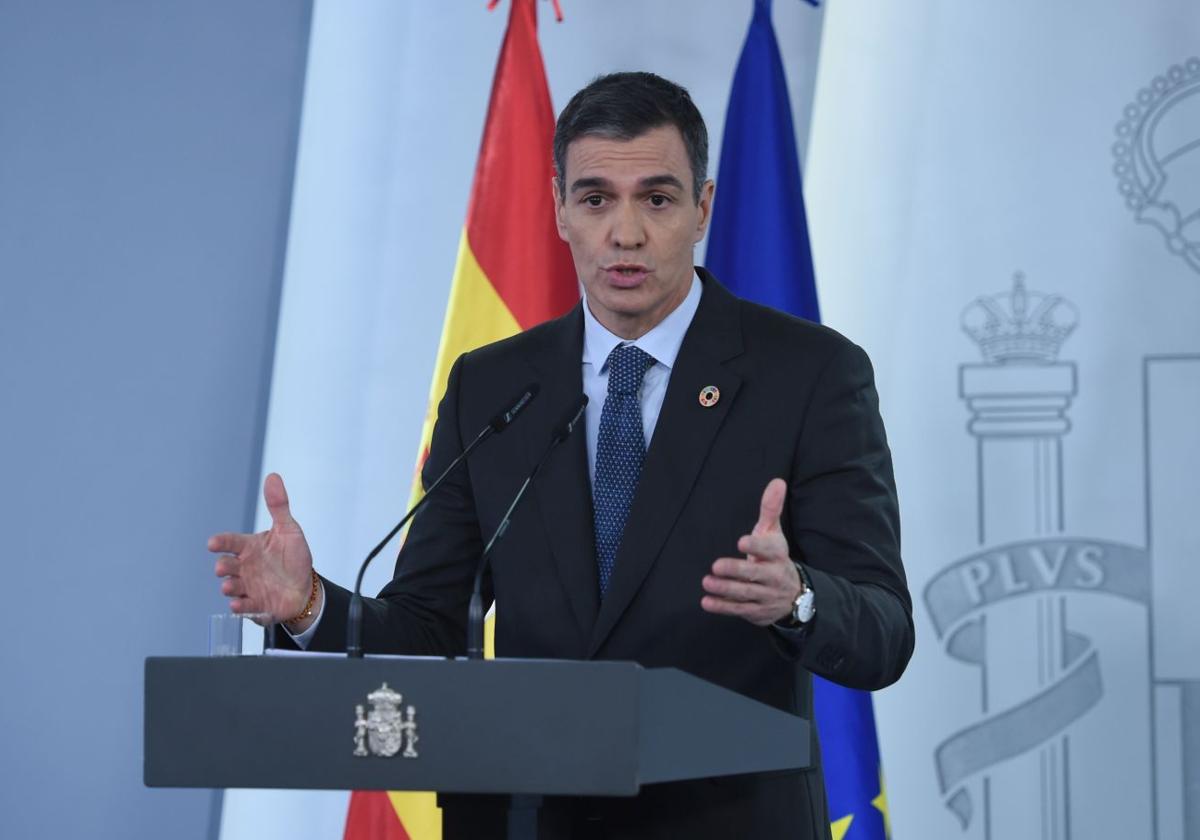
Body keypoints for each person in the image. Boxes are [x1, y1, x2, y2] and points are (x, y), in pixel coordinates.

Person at [208, 71, 913, 840]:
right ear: (559, 210)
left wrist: (798, 597)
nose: (626, 234)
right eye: (596, 199)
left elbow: (882, 632)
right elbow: (428, 629)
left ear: (703, 208)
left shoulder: (808, 376)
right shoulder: (493, 386)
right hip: (522, 818)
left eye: (658, 198)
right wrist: (310, 606)